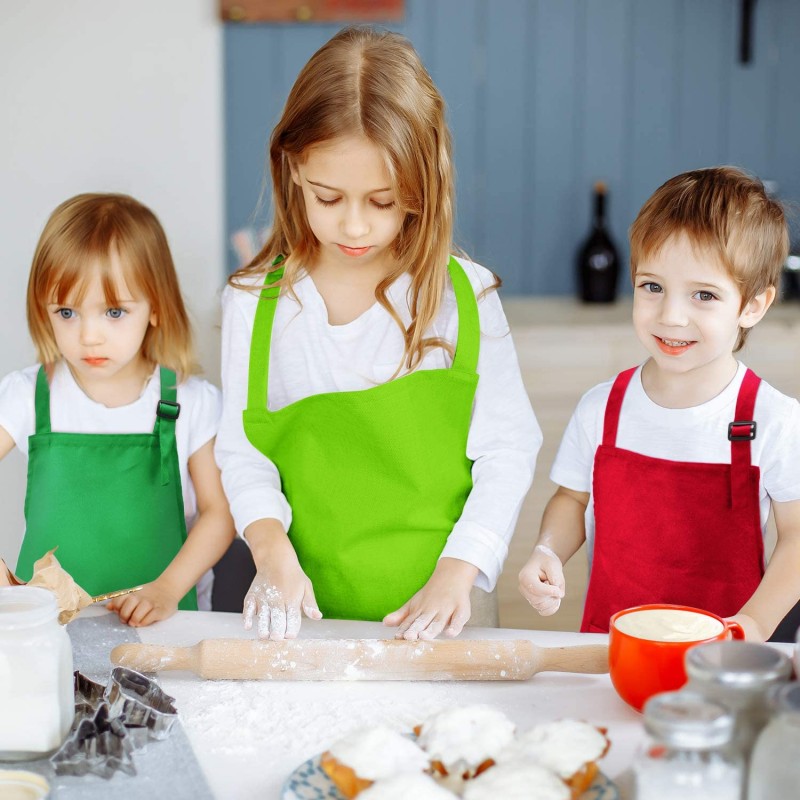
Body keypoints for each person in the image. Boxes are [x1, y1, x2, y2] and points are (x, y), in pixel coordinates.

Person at [215, 25, 541, 642]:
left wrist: (457, 571)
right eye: (328, 197)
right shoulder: (255, 304)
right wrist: (270, 552)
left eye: (385, 201)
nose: (356, 225)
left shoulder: (461, 299)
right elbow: (242, 452)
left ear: (425, 184)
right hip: (302, 621)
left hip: (445, 617)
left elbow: (507, 452)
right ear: (292, 170)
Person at [519, 166, 800, 642]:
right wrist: (547, 551)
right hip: (612, 649)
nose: (671, 316)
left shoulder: (772, 420)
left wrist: (752, 625)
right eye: (652, 286)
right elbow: (570, 499)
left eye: (704, 295)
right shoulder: (601, 409)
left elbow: (796, 539)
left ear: (752, 305)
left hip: (723, 657)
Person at [0, 193, 234, 624]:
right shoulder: (26, 396)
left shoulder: (191, 403)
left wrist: (166, 590)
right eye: (67, 311)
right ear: (43, 310)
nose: (89, 335)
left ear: (156, 307)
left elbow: (220, 515)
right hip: (49, 633)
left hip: (166, 628)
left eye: (113, 311)